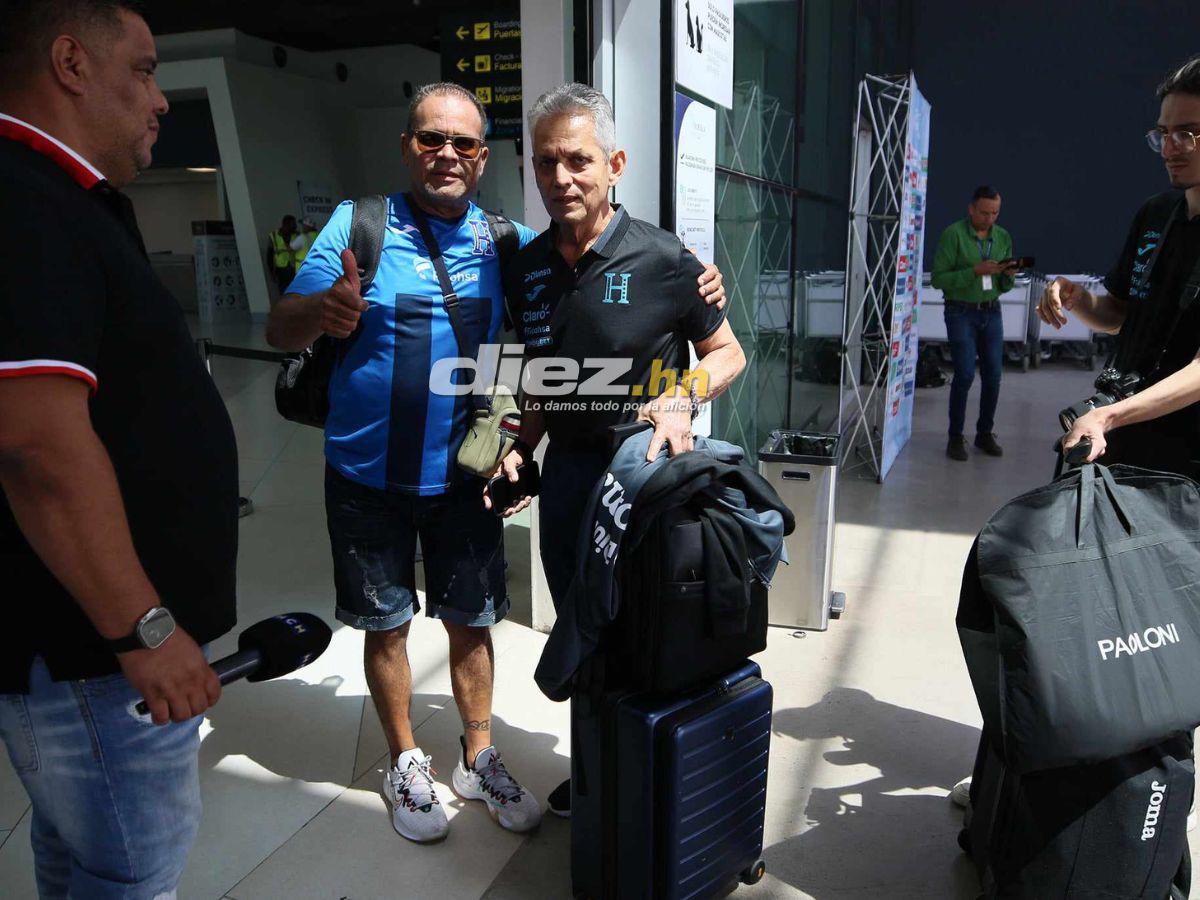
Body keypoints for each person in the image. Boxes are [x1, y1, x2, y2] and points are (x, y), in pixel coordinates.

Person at [266, 81, 728, 843]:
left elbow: (536, 358)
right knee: (386, 624)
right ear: (409, 146)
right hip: (365, 473)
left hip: (464, 475)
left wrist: (694, 309)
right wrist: (323, 311)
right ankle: (405, 760)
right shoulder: (360, 224)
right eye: (430, 140)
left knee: (473, 620)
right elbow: (285, 325)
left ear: (482, 158)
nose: (446, 154)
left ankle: (478, 757)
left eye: (463, 143)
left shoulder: (505, 243)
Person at [0, 1, 237, 895]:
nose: (162, 99)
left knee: (78, 857)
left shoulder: (67, 202)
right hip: (94, 657)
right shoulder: (25, 203)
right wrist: (144, 628)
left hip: (89, 655)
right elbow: (35, 449)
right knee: (129, 876)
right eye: (142, 69)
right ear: (69, 63)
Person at [489, 83, 746, 817]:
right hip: (569, 481)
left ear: (616, 164)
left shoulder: (668, 259)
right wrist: (519, 446)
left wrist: (684, 394)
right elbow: (539, 376)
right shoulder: (527, 267)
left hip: (645, 481)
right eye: (545, 163)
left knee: (650, 626)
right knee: (582, 630)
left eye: (578, 160)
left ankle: (657, 776)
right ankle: (598, 769)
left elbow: (728, 354)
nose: (560, 179)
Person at [1045, 56, 1200, 479]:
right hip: (1123, 433)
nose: (1171, 148)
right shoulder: (1156, 214)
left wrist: (1111, 416)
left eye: (1188, 133)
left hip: (1185, 460)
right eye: (1164, 133)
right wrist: (1078, 300)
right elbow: (1119, 316)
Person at [931, 185, 1018, 461]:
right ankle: (955, 437)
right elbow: (938, 279)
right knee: (965, 374)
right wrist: (974, 271)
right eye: (984, 213)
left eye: (995, 213)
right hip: (960, 312)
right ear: (971, 209)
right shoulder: (953, 235)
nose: (989, 218)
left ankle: (984, 434)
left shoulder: (1002, 236)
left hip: (992, 311)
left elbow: (1002, 286)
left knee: (993, 375)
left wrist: (1009, 274)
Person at [268, 213, 298, 295]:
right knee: (284, 292)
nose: (295, 226)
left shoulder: (297, 235)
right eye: (293, 224)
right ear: (286, 224)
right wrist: (272, 272)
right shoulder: (274, 236)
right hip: (281, 270)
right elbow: (269, 256)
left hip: (294, 268)